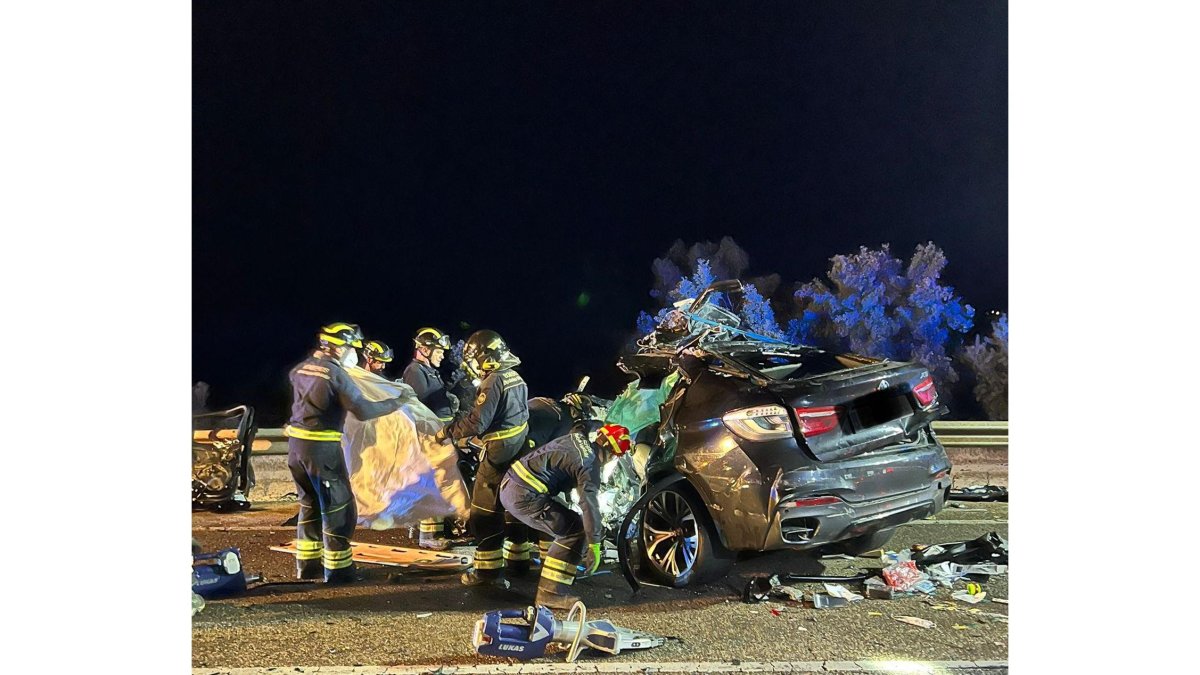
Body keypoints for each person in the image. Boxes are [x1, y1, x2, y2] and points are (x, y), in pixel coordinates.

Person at [285, 322, 404, 583]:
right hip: (322, 452)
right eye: (351, 348)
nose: (354, 353)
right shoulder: (334, 374)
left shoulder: (301, 368)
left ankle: (307, 566)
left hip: (296, 449)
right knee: (338, 508)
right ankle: (339, 571)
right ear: (338, 347)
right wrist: (395, 403)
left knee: (309, 505)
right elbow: (362, 410)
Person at [435, 329, 531, 588]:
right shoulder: (515, 377)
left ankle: (487, 574)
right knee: (512, 502)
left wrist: (448, 431)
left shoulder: (493, 381)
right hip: (518, 447)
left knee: (485, 508)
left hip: (498, 450)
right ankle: (519, 562)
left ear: (485, 357)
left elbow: (478, 422)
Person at [499, 424, 631, 609]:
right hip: (524, 496)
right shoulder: (590, 466)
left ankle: (544, 570)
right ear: (612, 455)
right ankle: (550, 593)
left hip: (510, 485)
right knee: (576, 530)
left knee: (563, 516)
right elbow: (589, 506)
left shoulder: (577, 437)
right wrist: (594, 543)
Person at [402, 327, 459, 549]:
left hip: (439, 433)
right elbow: (420, 406)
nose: (442, 355)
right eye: (439, 351)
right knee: (433, 483)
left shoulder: (428, 371)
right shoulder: (415, 372)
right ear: (425, 349)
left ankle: (434, 529)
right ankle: (429, 536)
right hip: (429, 436)